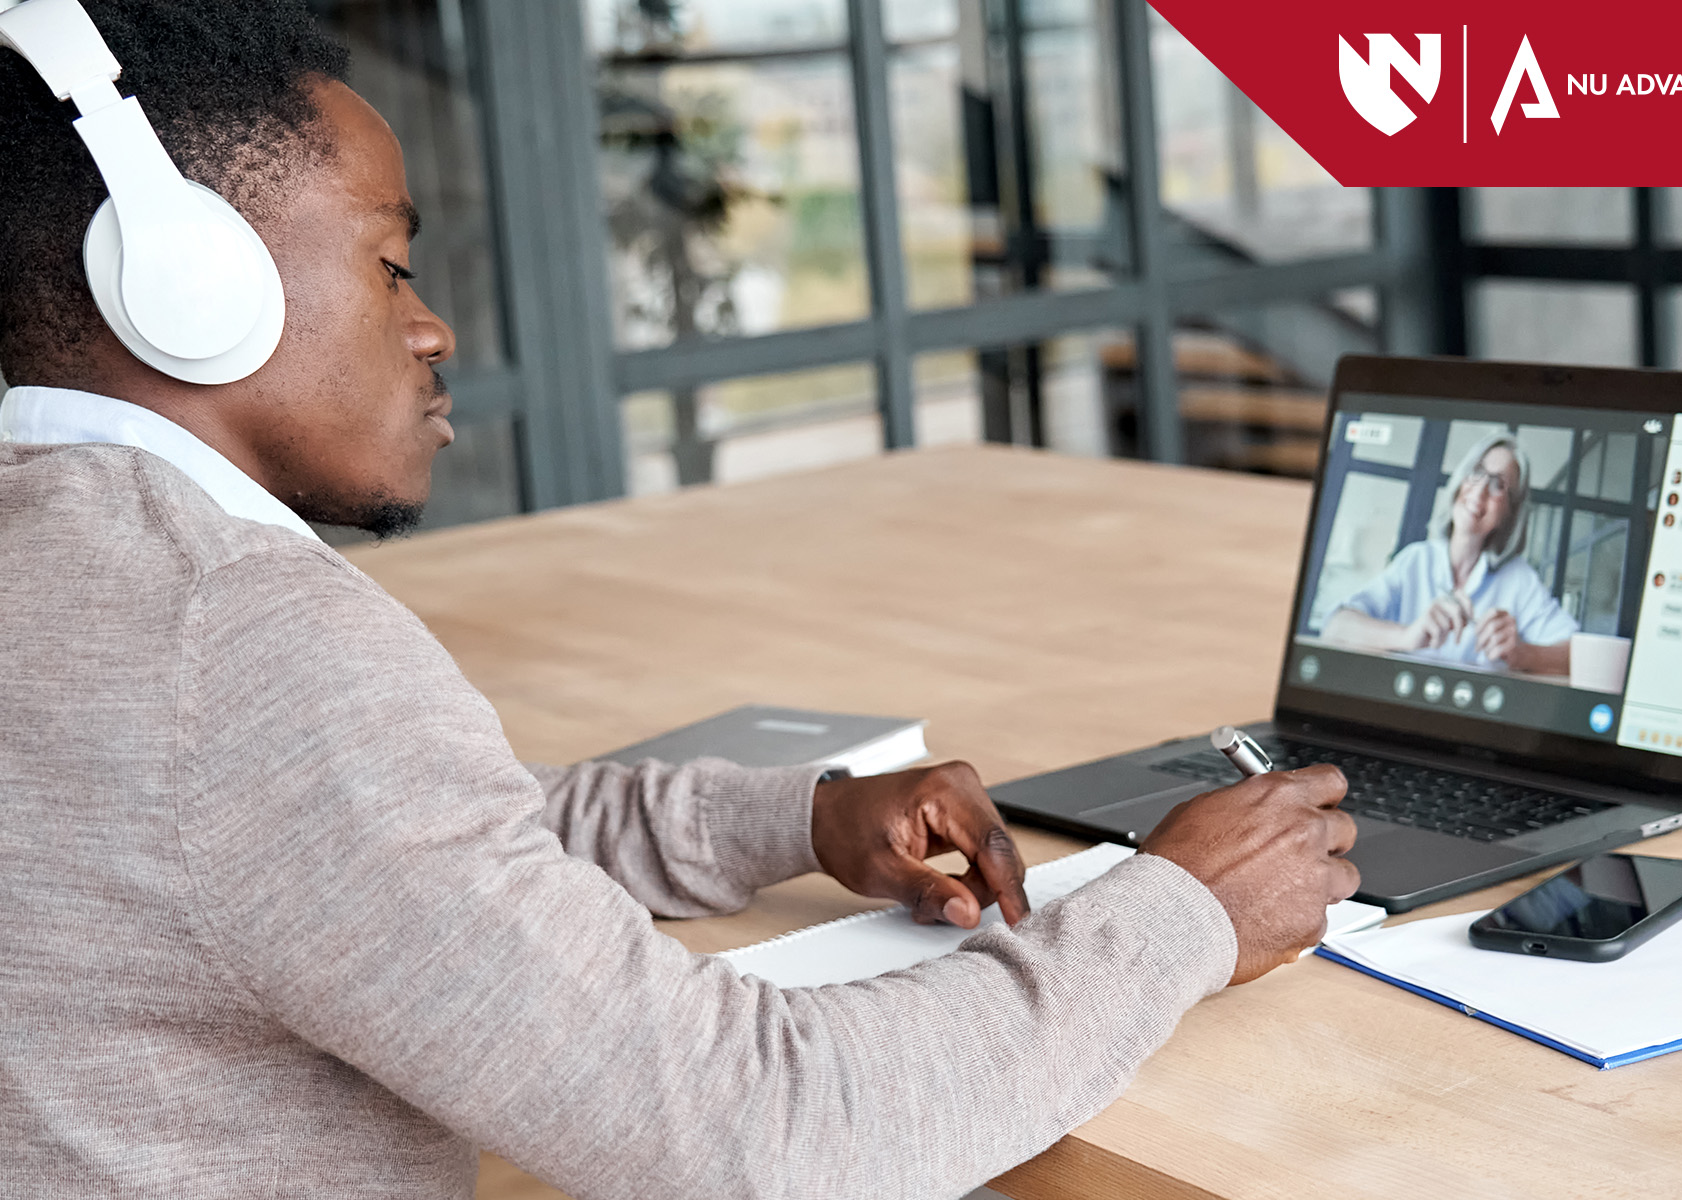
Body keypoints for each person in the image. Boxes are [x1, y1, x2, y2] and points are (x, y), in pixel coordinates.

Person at [0, 4, 1357, 1198]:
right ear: (188, 283)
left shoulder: (64, 573)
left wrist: (797, 816)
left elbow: (411, 835)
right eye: (391, 263)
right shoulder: (240, 645)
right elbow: (758, 1132)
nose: (434, 328)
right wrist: (1181, 911)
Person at [1320, 434, 1577, 675]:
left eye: (1498, 484)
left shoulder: (1519, 580)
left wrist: (1524, 654)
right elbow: (1335, 627)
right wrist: (1407, 636)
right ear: (1459, 483)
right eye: (1476, 473)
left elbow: (1577, 653)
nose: (1479, 491)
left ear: (1509, 513)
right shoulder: (1416, 560)